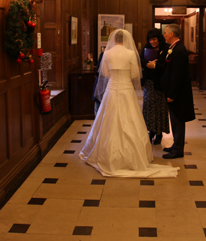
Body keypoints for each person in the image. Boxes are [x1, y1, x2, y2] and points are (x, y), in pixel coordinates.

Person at [79, 29, 180, 178]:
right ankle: (134, 154)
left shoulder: (107, 54)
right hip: (126, 90)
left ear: (113, 40)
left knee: (108, 120)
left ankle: (105, 154)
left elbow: (105, 74)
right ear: (125, 40)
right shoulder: (130, 54)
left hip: (112, 90)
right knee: (130, 120)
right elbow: (134, 74)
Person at [160, 24, 195, 159]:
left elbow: (177, 75)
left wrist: (172, 94)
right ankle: (175, 145)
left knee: (178, 121)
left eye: (166, 33)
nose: (164, 35)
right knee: (174, 121)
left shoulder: (179, 50)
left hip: (178, 95)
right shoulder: (173, 48)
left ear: (172, 35)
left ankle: (178, 149)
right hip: (173, 93)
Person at [140, 28, 170, 145]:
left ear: (159, 38)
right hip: (148, 83)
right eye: (150, 39)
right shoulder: (146, 47)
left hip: (160, 83)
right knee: (149, 107)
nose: (152, 42)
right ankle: (151, 131)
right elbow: (140, 59)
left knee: (159, 109)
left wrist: (156, 65)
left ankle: (159, 134)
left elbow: (167, 65)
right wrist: (147, 64)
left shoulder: (166, 48)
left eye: (154, 39)